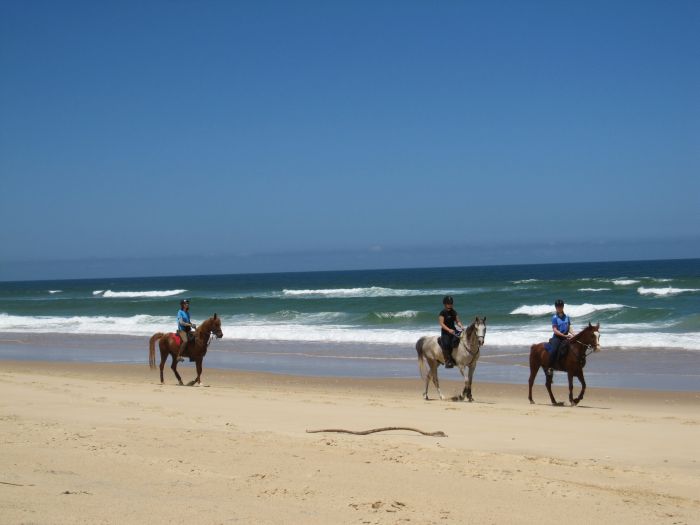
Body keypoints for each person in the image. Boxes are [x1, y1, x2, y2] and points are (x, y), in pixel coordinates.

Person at [548, 299, 574, 372]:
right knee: (554, 350)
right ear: (556, 307)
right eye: (558, 306)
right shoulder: (554, 318)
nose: (559, 308)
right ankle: (550, 367)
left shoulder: (567, 317)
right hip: (557, 337)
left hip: (566, 336)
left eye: (560, 306)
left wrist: (574, 334)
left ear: (563, 306)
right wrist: (564, 336)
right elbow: (555, 330)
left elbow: (569, 328)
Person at [439, 295, 464, 368]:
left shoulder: (454, 312)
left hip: (453, 330)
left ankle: (458, 357)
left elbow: (457, 321)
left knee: (461, 337)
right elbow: (441, 323)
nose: (450, 305)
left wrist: (461, 326)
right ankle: (448, 361)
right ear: (445, 304)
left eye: (451, 303)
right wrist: (448, 330)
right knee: (446, 343)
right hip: (445, 331)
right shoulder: (442, 313)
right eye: (448, 303)